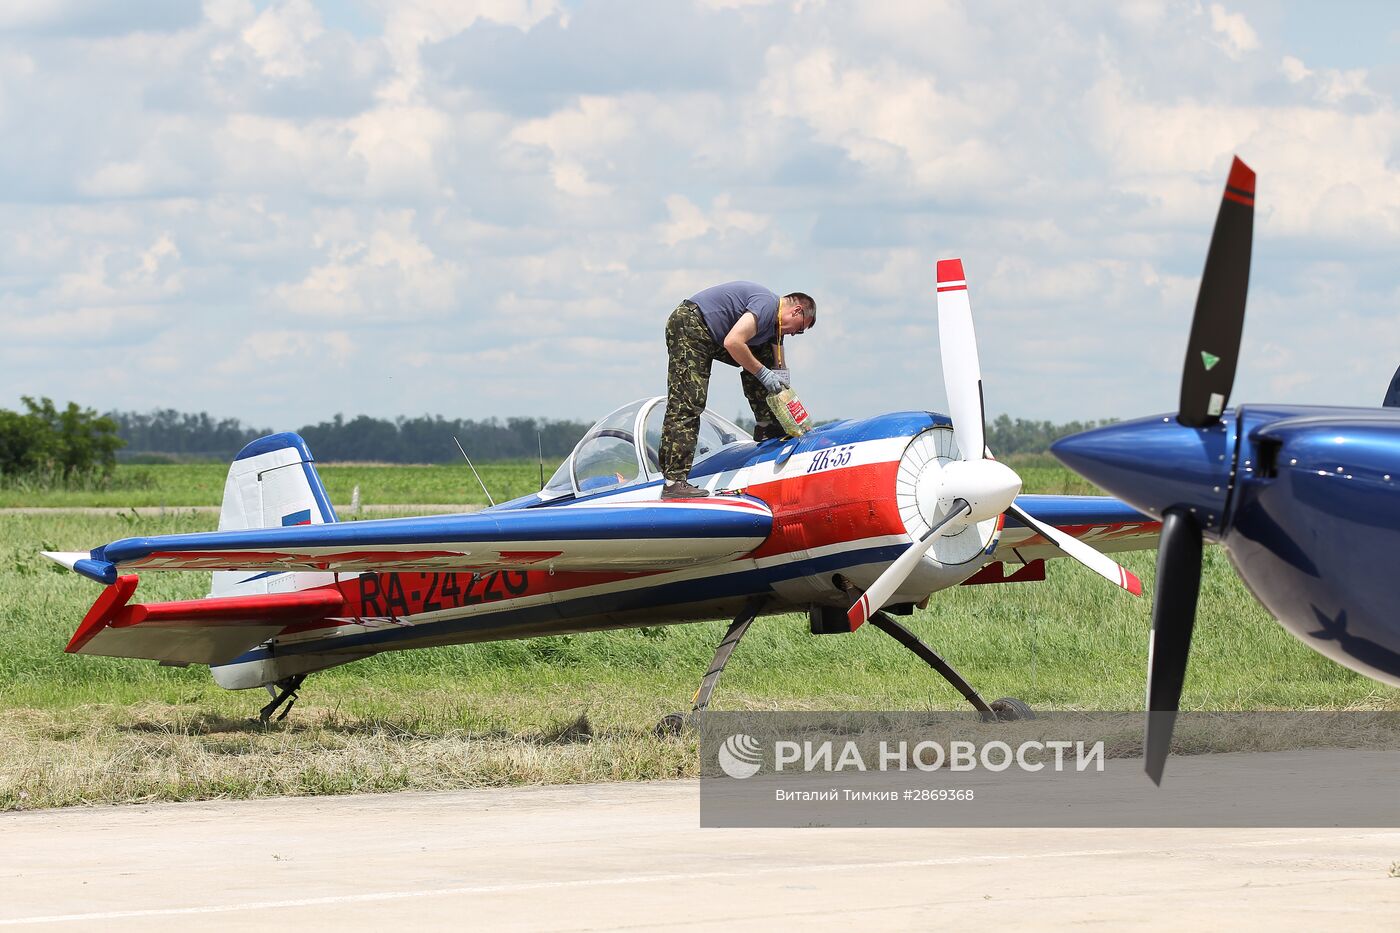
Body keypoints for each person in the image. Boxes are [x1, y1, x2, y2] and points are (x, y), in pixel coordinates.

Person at [659, 281, 816, 499]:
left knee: (763, 360)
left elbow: (778, 366)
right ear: (796, 310)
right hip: (691, 325)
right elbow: (733, 342)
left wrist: (785, 397)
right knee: (689, 401)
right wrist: (762, 373)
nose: (793, 334)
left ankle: (767, 426)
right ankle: (673, 481)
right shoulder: (766, 306)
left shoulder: (776, 329)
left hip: (715, 335)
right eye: (799, 329)